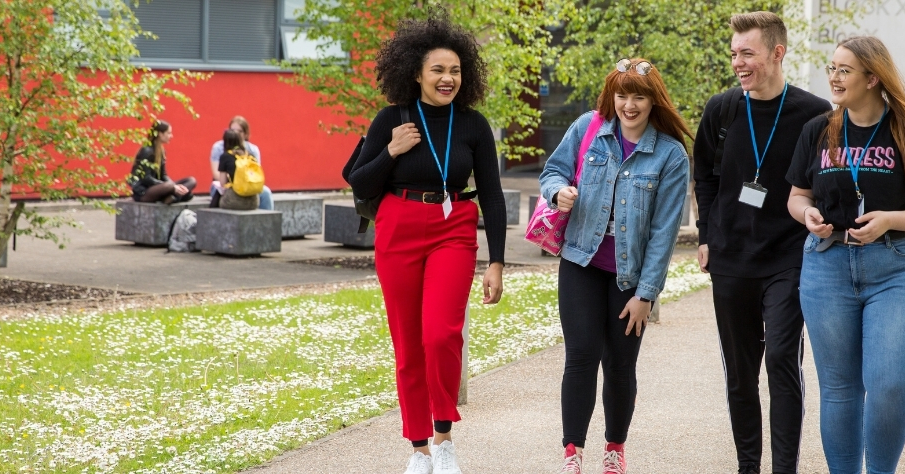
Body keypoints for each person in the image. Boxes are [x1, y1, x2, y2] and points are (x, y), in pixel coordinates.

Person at [344, 12, 505, 474]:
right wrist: (390, 150)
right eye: (437, 69)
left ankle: (444, 437)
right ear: (416, 73)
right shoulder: (391, 119)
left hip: (453, 226)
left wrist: (496, 262)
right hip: (398, 226)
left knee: (440, 334)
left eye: (454, 70)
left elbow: (492, 195)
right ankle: (418, 450)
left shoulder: (473, 125)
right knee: (408, 344)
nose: (447, 78)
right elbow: (358, 182)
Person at [785, 36, 905, 474]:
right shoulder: (818, 130)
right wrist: (809, 216)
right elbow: (797, 196)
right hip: (827, 264)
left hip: (897, 266)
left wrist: (890, 219)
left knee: (889, 387)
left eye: (845, 70)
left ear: (873, 77)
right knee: (839, 388)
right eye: (832, 68)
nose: (834, 78)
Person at [692, 11, 831, 474]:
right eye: (734, 54)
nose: (738, 63)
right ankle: (748, 466)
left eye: (747, 53)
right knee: (739, 372)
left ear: (777, 52)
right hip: (730, 259)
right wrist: (707, 235)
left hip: (789, 258)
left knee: (781, 364)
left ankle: (783, 469)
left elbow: (823, 182)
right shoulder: (722, 109)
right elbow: (705, 178)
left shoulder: (814, 114)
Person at [540, 57, 691, 474]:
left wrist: (647, 294)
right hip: (580, 263)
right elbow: (552, 171)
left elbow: (664, 233)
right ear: (612, 97)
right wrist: (558, 193)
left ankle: (614, 448)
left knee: (621, 363)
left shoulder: (671, 156)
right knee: (581, 355)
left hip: (630, 276)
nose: (629, 104)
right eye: (622, 95)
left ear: (653, 100)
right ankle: (573, 452)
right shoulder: (589, 129)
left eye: (638, 96)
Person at [209, 116, 273, 210]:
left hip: (247, 184)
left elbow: (256, 175)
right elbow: (216, 174)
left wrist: (243, 181)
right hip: (224, 185)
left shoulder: (252, 150)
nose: (235, 133)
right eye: (232, 130)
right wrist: (237, 180)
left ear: (246, 134)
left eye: (239, 131)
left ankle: (267, 222)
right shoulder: (218, 147)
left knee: (266, 193)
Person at [128, 120, 197, 204]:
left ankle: (172, 197)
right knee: (174, 188)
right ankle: (174, 197)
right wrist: (172, 187)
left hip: (158, 186)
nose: (171, 136)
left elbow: (163, 175)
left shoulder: (161, 150)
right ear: (160, 134)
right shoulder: (146, 150)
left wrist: (174, 186)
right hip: (144, 192)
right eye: (169, 133)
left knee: (191, 180)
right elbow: (146, 178)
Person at [209, 130, 259, 210]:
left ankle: (209, 218)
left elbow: (223, 183)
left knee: (218, 193)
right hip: (254, 201)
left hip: (234, 201)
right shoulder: (250, 155)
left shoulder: (225, 156)